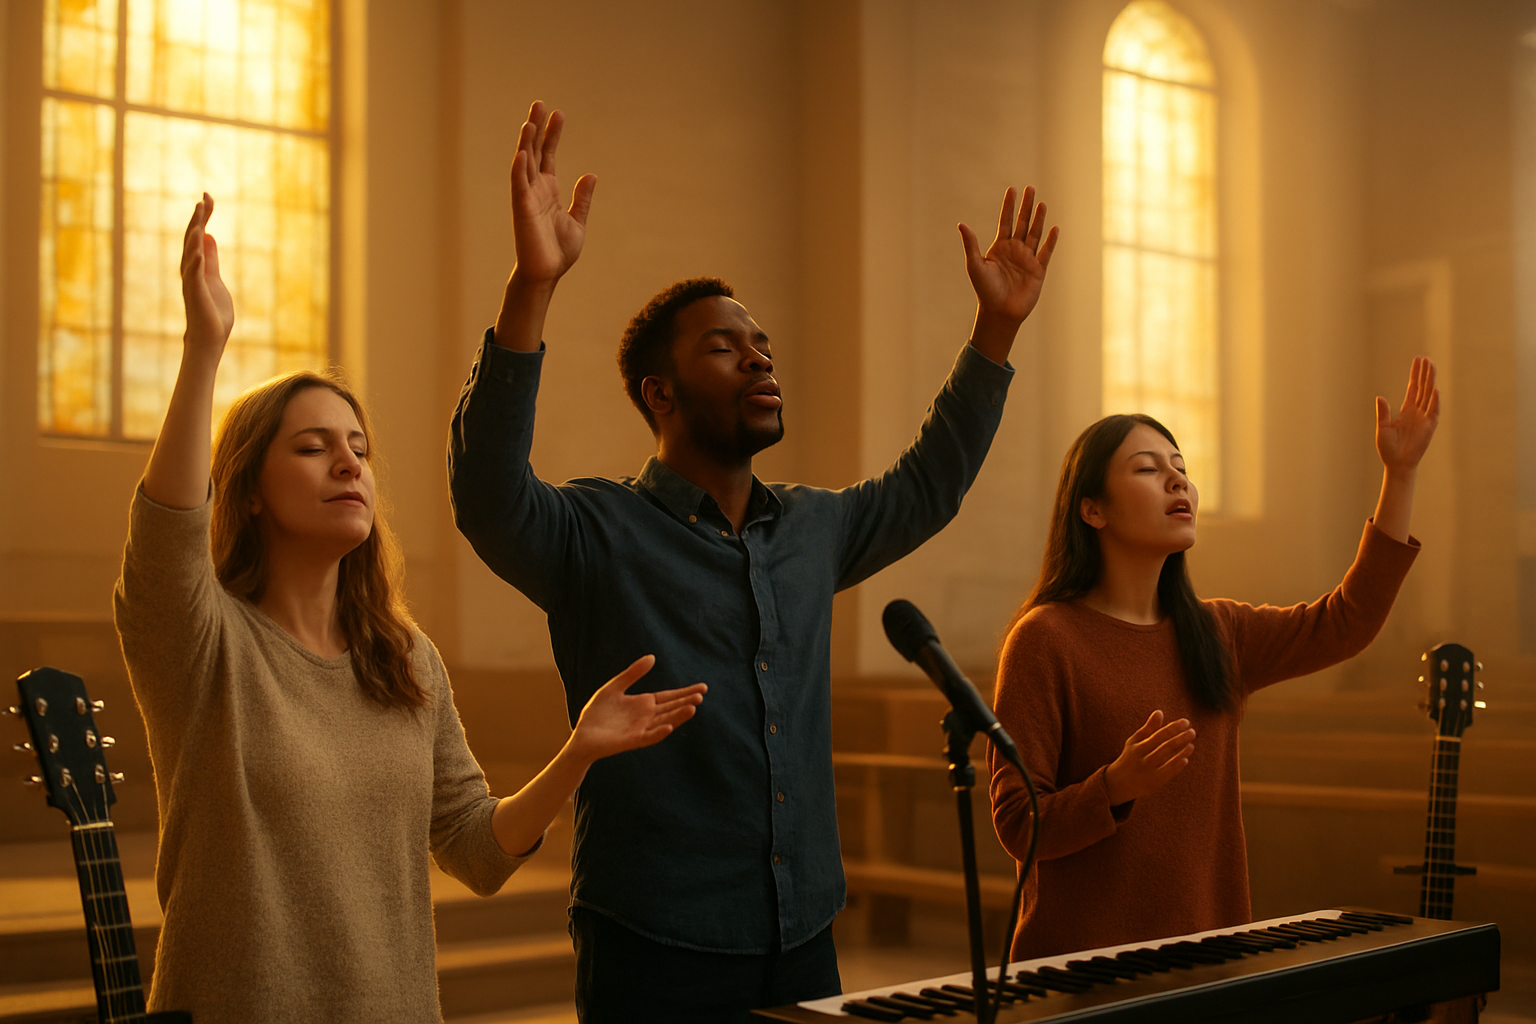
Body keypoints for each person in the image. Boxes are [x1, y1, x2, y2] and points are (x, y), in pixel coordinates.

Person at [448, 101, 1059, 1023]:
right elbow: (488, 495)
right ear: (660, 393)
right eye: (725, 348)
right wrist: (530, 289)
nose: (759, 359)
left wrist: (995, 335)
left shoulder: (811, 529)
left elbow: (930, 484)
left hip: (801, 934)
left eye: (763, 345)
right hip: (655, 943)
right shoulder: (598, 533)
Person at [113, 194, 706, 1024]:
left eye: (358, 448)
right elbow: (167, 532)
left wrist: (577, 753)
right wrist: (204, 350)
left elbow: (476, 848)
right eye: (313, 447)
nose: (348, 464)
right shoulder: (205, 643)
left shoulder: (405, 659)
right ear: (246, 490)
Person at [987, 359, 1440, 961]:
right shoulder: (1045, 639)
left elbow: (1347, 622)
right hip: (1081, 973)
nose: (1178, 482)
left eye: (1182, 469)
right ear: (1092, 509)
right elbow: (1018, 823)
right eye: (1148, 469)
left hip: (1209, 960)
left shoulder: (1219, 631)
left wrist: (1401, 475)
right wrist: (1114, 786)